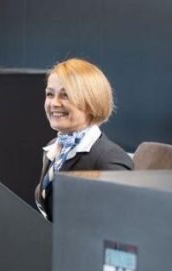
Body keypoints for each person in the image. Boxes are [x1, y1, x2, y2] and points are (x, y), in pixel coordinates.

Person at [34, 58, 132, 221]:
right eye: (50, 94)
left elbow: (120, 223)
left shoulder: (110, 159)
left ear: (91, 102)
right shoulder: (54, 148)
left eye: (65, 95)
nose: (54, 103)